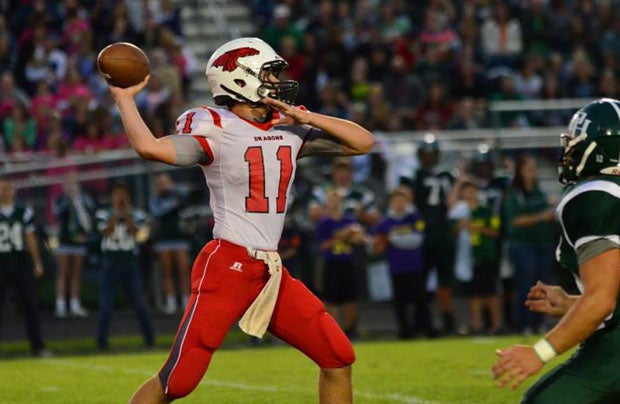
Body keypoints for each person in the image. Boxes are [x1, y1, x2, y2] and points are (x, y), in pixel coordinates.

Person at [108, 37, 373, 403]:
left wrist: (307, 116)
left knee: (338, 357)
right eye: (268, 73)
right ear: (240, 78)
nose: (278, 82)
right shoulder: (215, 127)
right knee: (178, 381)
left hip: (270, 271)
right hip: (227, 265)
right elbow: (150, 148)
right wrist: (124, 99)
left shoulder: (290, 128)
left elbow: (363, 142)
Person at [493, 98, 620, 401]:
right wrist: (571, 302)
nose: (569, 149)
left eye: (577, 142)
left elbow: (603, 299)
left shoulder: (593, 196)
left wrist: (539, 352)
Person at [401, 135, 456, 335]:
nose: (429, 158)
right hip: (427, 232)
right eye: (426, 154)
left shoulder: (440, 175)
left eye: (431, 154)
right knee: (421, 282)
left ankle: (444, 320)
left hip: (438, 231)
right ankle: (427, 321)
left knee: (443, 281)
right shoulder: (416, 175)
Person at [95, 183, 154, 351]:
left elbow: (140, 235)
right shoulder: (103, 213)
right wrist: (116, 215)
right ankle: (101, 342)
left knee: (139, 302)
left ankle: (149, 339)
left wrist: (127, 214)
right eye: (117, 195)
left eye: (123, 195)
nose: (120, 198)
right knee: (106, 304)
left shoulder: (137, 214)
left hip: (129, 261)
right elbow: (105, 231)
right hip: (110, 261)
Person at [503, 154, 556, 335]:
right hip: (523, 245)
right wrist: (542, 217)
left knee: (541, 286)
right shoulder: (514, 194)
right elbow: (515, 221)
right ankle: (523, 323)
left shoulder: (538, 191)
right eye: (528, 169)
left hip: (542, 243)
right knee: (525, 286)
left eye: (534, 169)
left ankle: (539, 322)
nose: (533, 173)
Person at [373, 186, 432, 339]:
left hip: (414, 265)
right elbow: (377, 245)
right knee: (400, 300)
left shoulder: (415, 218)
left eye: (402, 200)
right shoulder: (385, 222)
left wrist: (392, 238)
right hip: (396, 266)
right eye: (396, 200)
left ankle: (425, 328)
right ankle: (405, 330)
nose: (399, 204)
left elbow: (416, 240)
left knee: (420, 299)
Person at [0, 176, 50, 357]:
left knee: (31, 304)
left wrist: (37, 262)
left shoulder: (23, 210)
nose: (3, 192)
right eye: (1, 188)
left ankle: (37, 346)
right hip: (1, 261)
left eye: (7, 188)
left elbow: (30, 238)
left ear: (13, 190)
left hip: (20, 261)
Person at [450, 180, 502, 335]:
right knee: (474, 294)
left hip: (486, 255)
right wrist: (460, 227)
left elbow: (496, 231)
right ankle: (477, 325)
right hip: (468, 258)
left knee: (491, 292)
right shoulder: (459, 213)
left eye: (473, 190)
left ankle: (495, 325)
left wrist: (478, 228)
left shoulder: (486, 211)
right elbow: (452, 233)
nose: (471, 194)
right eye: (468, 191)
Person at [315, 188, 367, 339]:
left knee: (351, 299)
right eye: (332, 200)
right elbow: (322, 246)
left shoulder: (350, 221)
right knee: (330, 300)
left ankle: (350, 330)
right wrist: (343, 236)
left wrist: (353, 235)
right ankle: (334, 332)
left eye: (337, 200)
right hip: (331, 263)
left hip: (348, 262)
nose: (335, 203)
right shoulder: (324, 223)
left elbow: (361, 239)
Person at [53, 173, 95, 318]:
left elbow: (90, 215)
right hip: (65, 241)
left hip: (79, 241)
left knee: (76, 274)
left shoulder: (84, 199)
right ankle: (60, 305)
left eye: (73, 182)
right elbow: (57, 214)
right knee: (62, 273)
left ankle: (75, 304)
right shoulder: (60, 199)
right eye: (68, 183)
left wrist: (78, 201)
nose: (71, 186)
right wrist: (68, 199)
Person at [149, 172, 191, 314]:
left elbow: (187, 202)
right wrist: (173, 204)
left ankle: (186, 301)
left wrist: (175, 192)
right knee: (166, 271)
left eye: (165, 182)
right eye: (160, 183)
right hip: (163, 239)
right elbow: (157, 212)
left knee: (183, 270)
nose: (163, 185)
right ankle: (171, 301)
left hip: (179, 237)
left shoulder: (178, 196)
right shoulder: (155, 200)